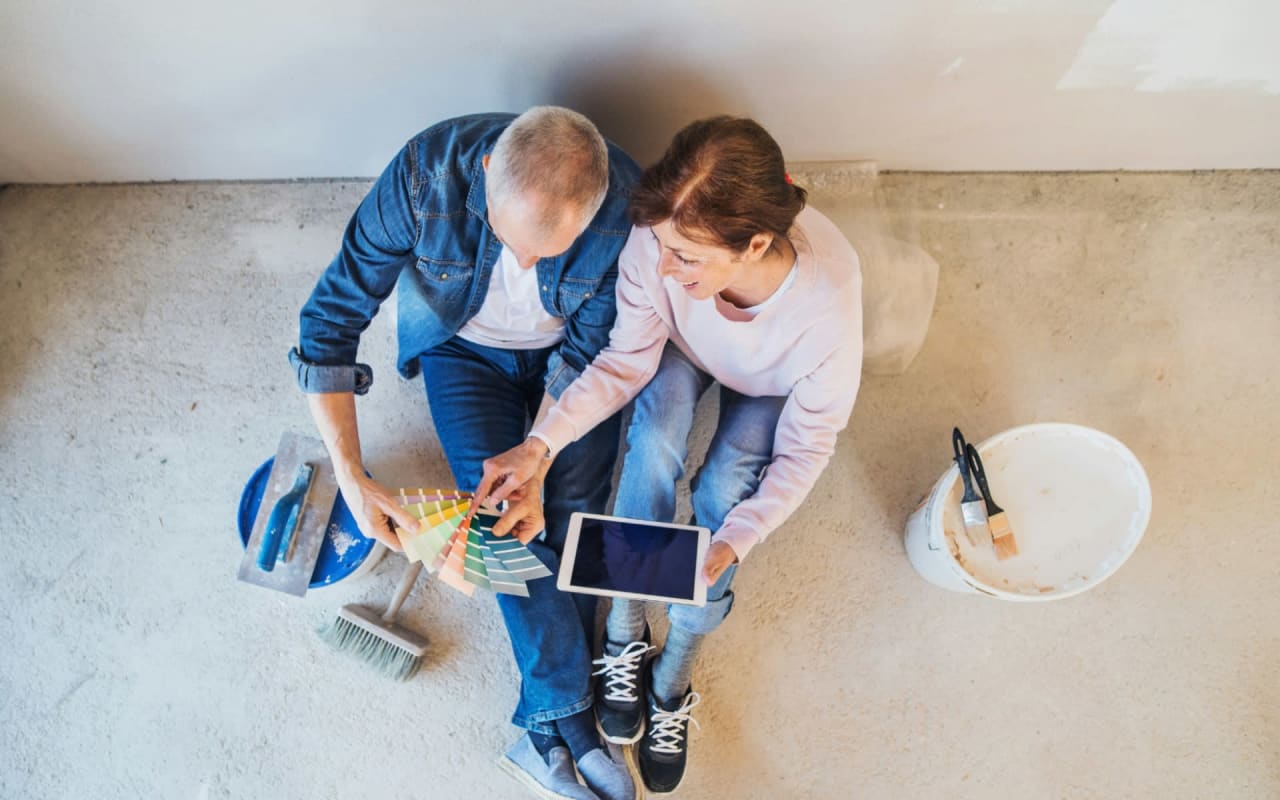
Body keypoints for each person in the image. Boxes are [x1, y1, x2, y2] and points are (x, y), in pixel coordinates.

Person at [475, 116, 864, 794]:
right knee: (653, 440)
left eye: (686, 256)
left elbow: (806, 448)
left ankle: (674, 669)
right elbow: (625, 361)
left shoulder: (827, 308)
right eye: (661, 245)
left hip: (771, 382)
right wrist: (541, 444)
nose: (662, 266)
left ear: (757, 245)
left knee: (725, 496)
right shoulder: (659, 240)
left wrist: (738, 540)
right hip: (681, 346)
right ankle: (624, 626)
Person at [291, 108, 640, 800]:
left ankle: (551, 733)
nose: (529, 265)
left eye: (551, 252)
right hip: (461, 351)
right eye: (516, 242)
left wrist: (540, 452)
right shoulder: (424, 176)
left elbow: (591, 347)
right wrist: (354, 478)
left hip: (570, 364)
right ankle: (566, 725)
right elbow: (326, 325)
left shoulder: (626, 209)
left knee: (573, 517)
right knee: (497, 526)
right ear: (484, 177)